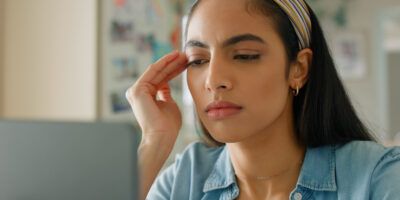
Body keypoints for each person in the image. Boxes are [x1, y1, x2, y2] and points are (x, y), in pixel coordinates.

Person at [125, 0, 400, 199]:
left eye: (245, 55)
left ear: (299, 69)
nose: (213, 80)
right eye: (198, 60)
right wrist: (154, 141)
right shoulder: (183, 182)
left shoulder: (380, 178)